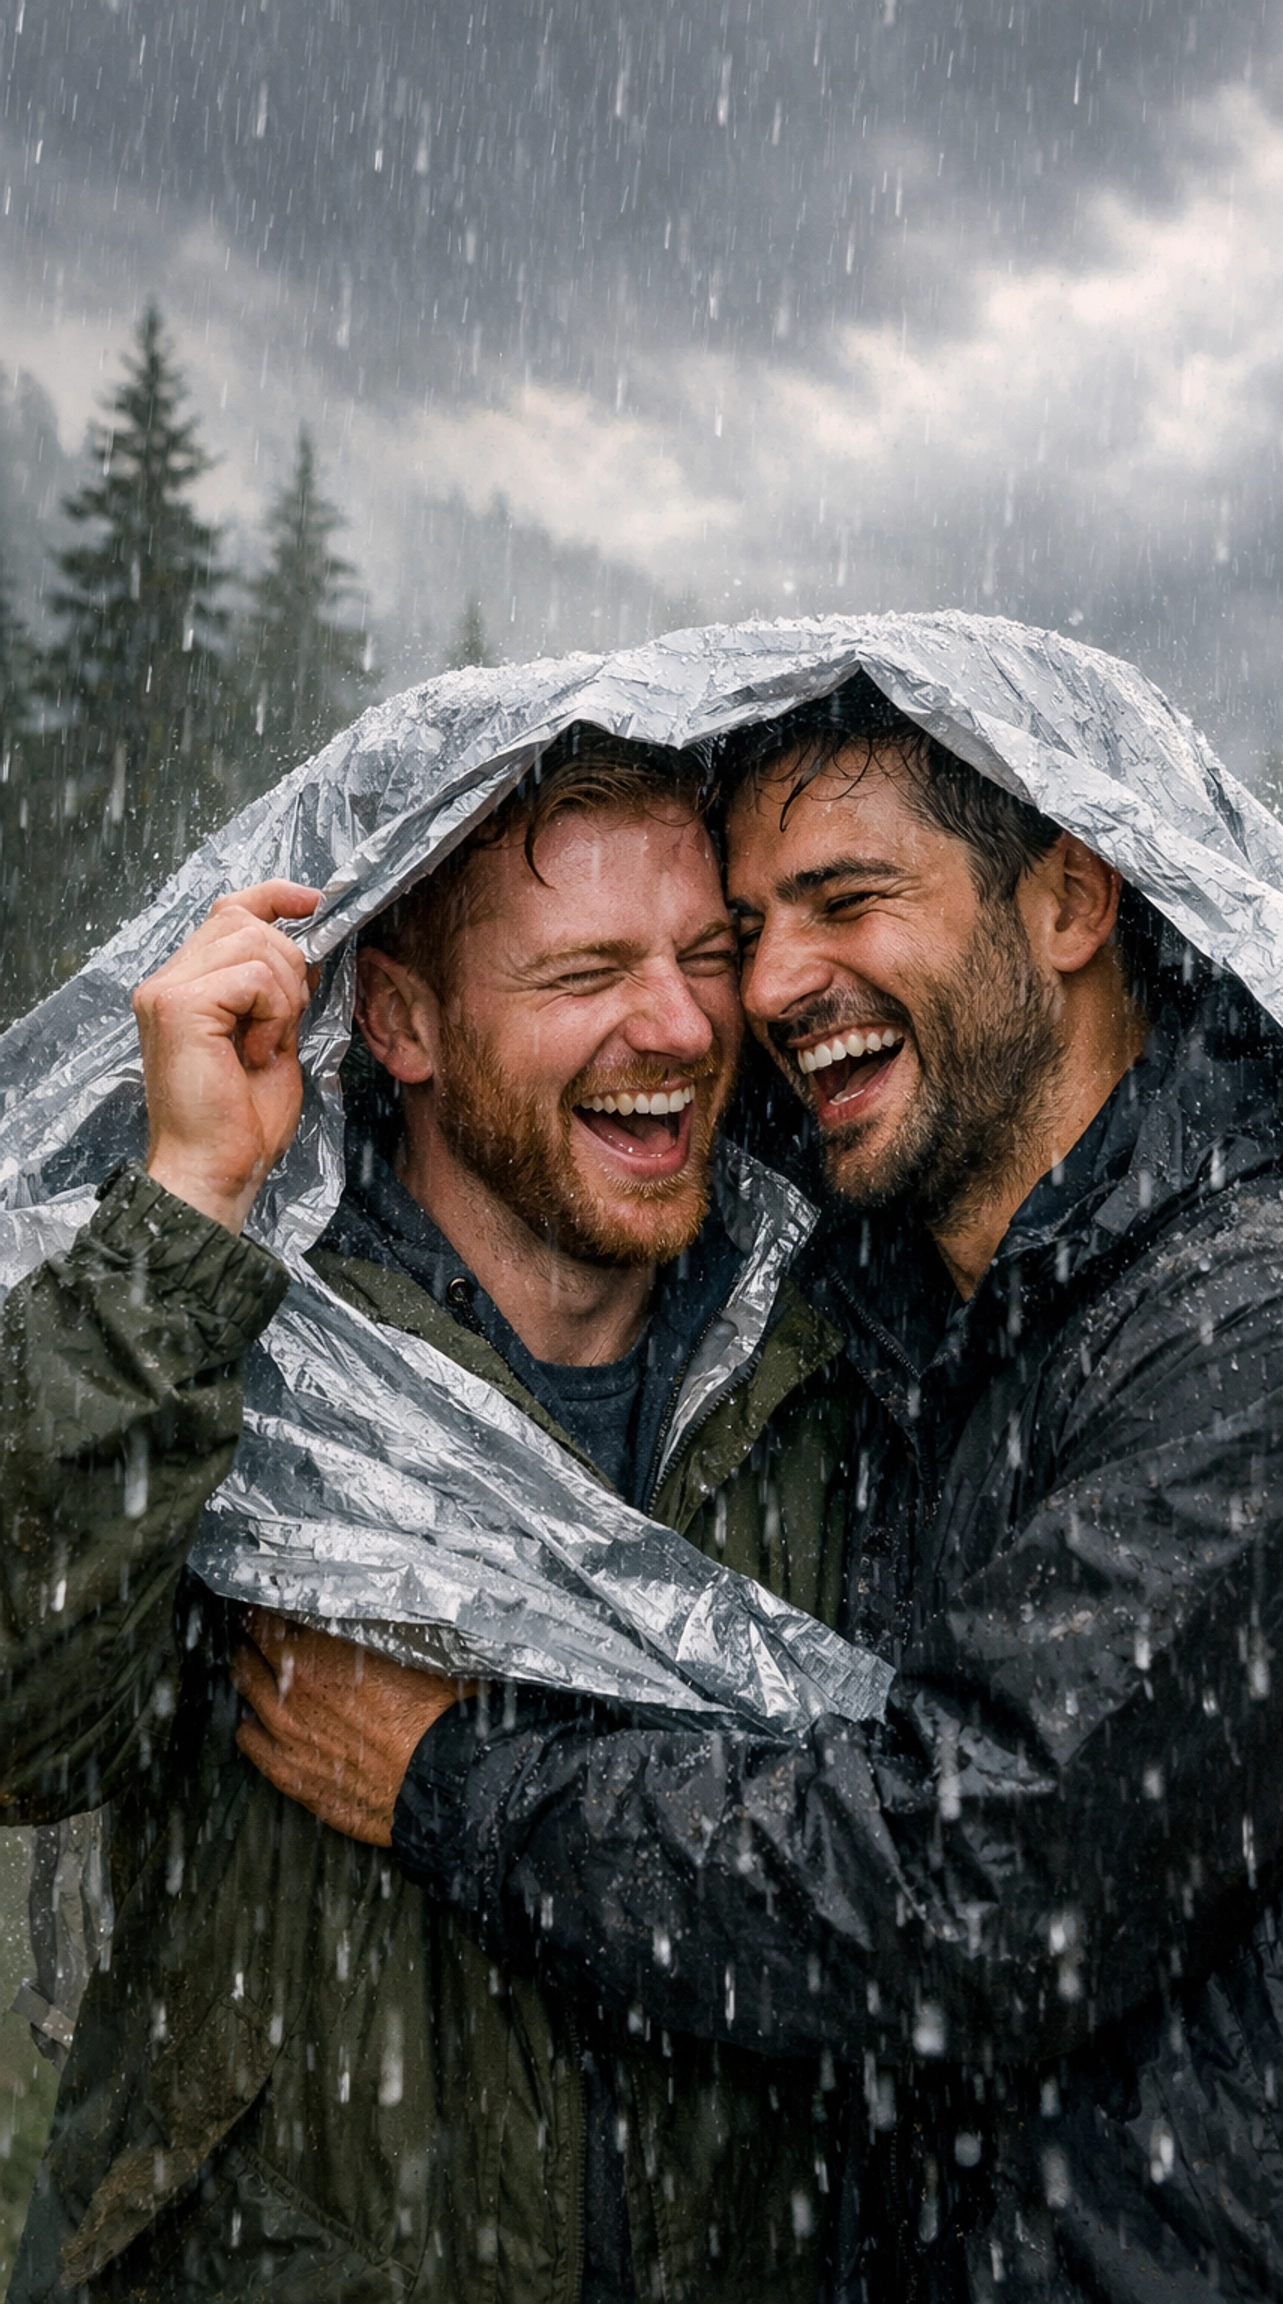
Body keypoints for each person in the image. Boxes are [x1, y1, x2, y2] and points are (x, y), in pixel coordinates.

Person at [244, 673, 1283, 2301]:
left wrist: (456, 1785)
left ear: (1071, 897)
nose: (766, 990)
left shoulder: (1280, 1327)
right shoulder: (924, 1320)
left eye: (847, 901)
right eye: (751, 925)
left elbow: (971, 1881)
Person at [0, 730, 851, 2303]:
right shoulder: (247, 1356)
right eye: (585, 971)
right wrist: (186, 1202)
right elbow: (24, 1721)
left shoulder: (832, 1356)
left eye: (706, 953)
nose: (675, 1023)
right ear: (400, 1019)